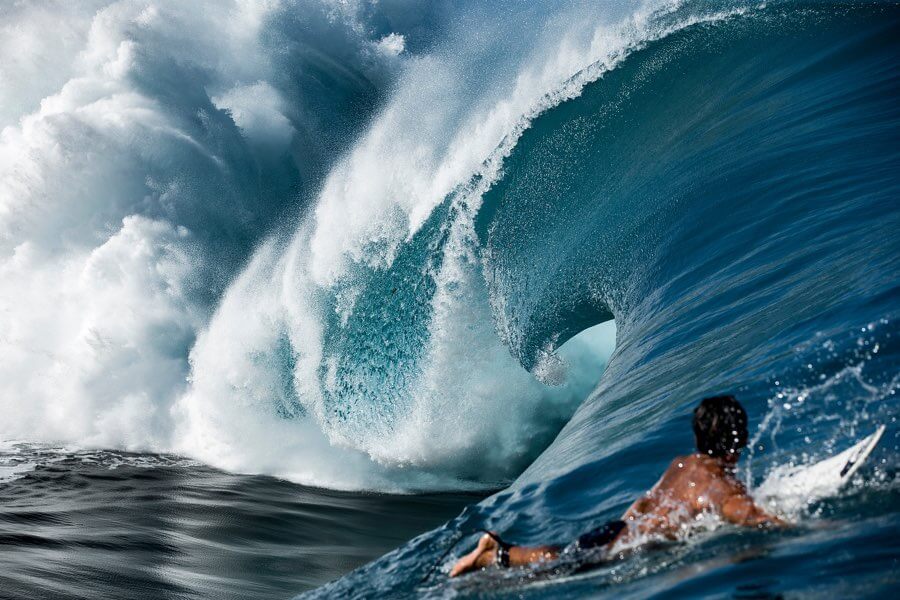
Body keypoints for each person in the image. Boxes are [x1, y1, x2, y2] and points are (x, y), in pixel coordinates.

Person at [449, 395, 786, 577]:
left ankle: (498, 551)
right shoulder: (718, 485)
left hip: (618, 529)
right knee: (558, 567)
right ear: (737, 439)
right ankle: (494, 553)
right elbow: (749, 515)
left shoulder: (685, 463)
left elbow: (645, 503)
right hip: (622, 546)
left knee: (565, 554)